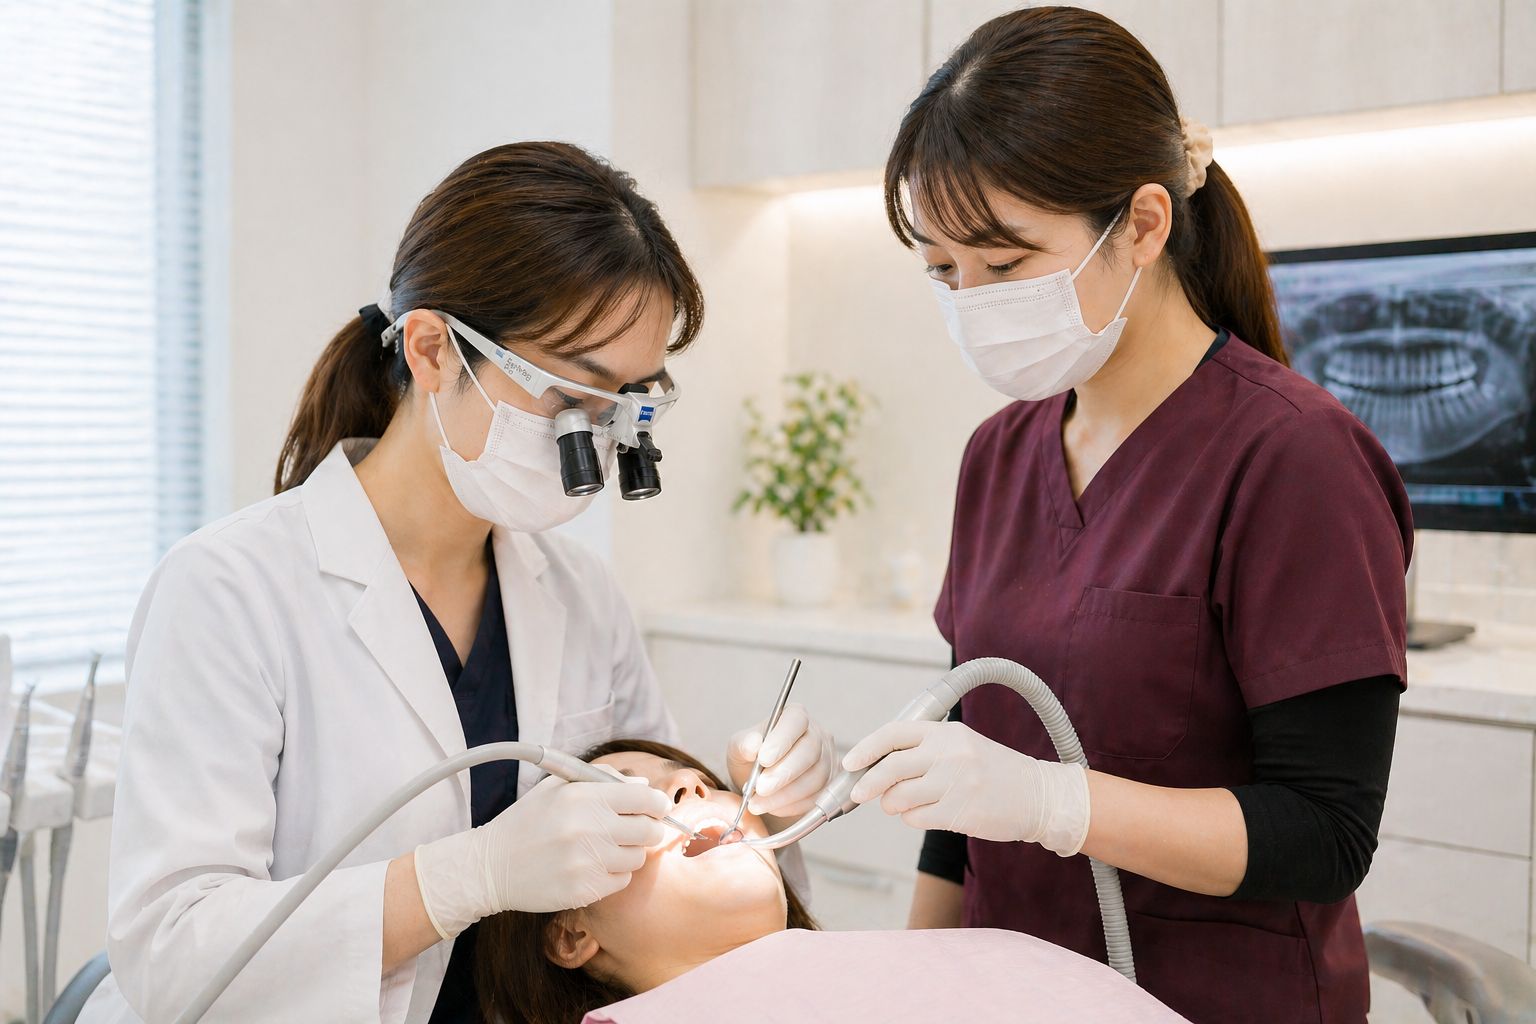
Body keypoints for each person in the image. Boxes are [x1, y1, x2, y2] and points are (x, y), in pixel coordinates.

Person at [83, 142, 836, 1024]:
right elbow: (172, 954)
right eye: (573, 397)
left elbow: (663, 905)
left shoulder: (580, 594)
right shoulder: (227, 591)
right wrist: (462, 879)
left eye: (628, 404)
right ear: (434, 350)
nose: (598, 441)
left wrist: (764, 812)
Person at [843, 8, 1409, 1022]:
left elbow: (1325, 833)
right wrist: (907, 982)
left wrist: (1054, 803)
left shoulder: (1294, 457)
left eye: (1004, 264)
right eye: (942, 270)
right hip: (1008, 995)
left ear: (1144, 225)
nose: (971, 300)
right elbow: (965, 788)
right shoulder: (998, 456)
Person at [474, 740, 1186, 1024]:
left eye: (699, 779)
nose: (690, 783)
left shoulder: (993, 954)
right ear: (569, 933)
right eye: (627, 799)